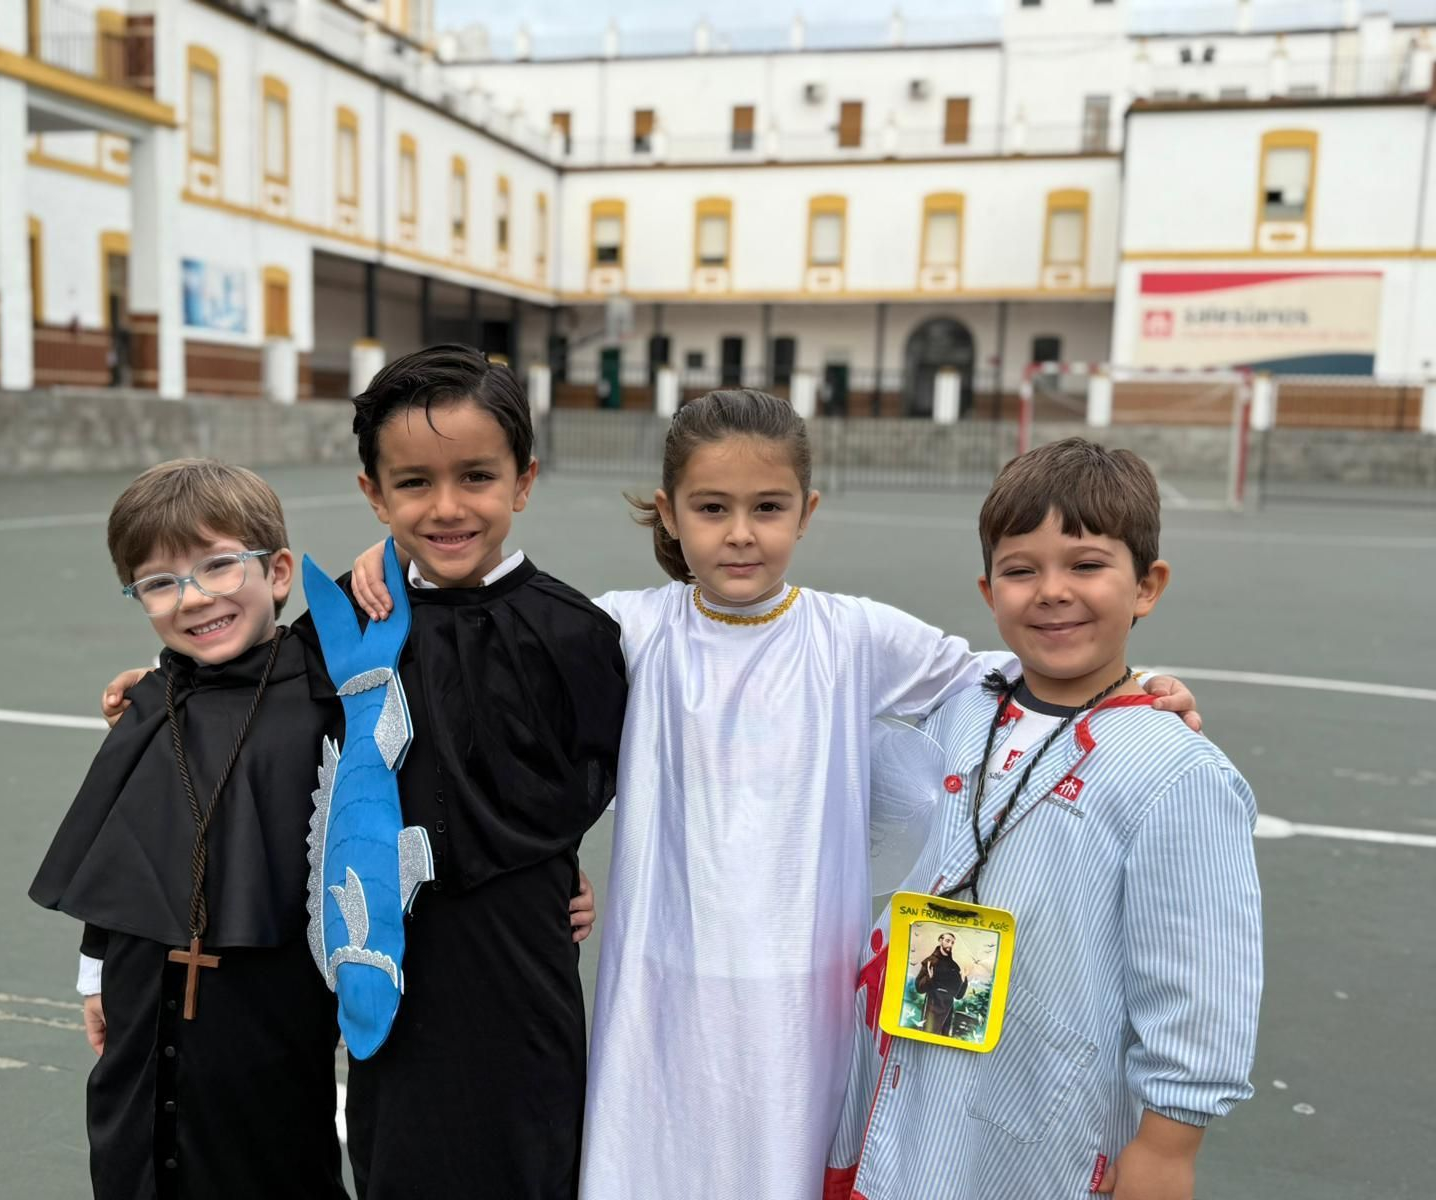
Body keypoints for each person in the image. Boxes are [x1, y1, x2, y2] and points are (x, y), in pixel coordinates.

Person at [349, 390, 1203, 1200]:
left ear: (807, 510)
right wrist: (389, 565)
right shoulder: (626, 628)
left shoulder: (855, 634)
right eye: (712, 509)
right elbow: (493, 667)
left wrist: (1137, 685)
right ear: (671, 512)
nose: (740, 535)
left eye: (768, 507)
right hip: (658, 980)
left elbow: (1007, 677)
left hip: (803, 990)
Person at [101, 346, 625, 1200]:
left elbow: (590, 780)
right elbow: (256, 680)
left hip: (518, 957)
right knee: (397, 1154)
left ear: (523, 482)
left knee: (529, 1148)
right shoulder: (351, 613)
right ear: (373, 494)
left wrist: (546, 870)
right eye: (414, 484)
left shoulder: (575, 632)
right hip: (389, 954)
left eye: (477, 478)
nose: (447, 507)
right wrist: (161, 688)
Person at [824, 439, 1263, 1200]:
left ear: (1147, 585)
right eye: (1022, 570)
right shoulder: (960, 700)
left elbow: (1202, 982)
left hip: (1041, 1126)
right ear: (989, 589)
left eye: (1087, 565)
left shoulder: (1177, 770)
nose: (1052, 592)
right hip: (902, 1084)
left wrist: (1168, 1146)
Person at [29, 458, 350, 1200]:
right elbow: (125, 841)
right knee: (137, 1151)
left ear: (278, 572)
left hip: (270, 999)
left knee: (266, 1156)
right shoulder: (155, 697)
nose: (194, 597)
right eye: (160, 582)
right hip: (144, 988)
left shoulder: (327, 687)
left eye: (217, 566)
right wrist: (94, 973)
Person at [913, 932, 966, 1035]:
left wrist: (963, 981)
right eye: (947, 941)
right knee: (928, 1035)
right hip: (933, 1005)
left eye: (952, 943)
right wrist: (929, 978)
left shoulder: (954, 967)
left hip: (948, 1008)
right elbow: (919, 988)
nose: (950, 945)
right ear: (940, 940)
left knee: (944, 1037)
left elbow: (958, 995)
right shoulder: (930, 962)